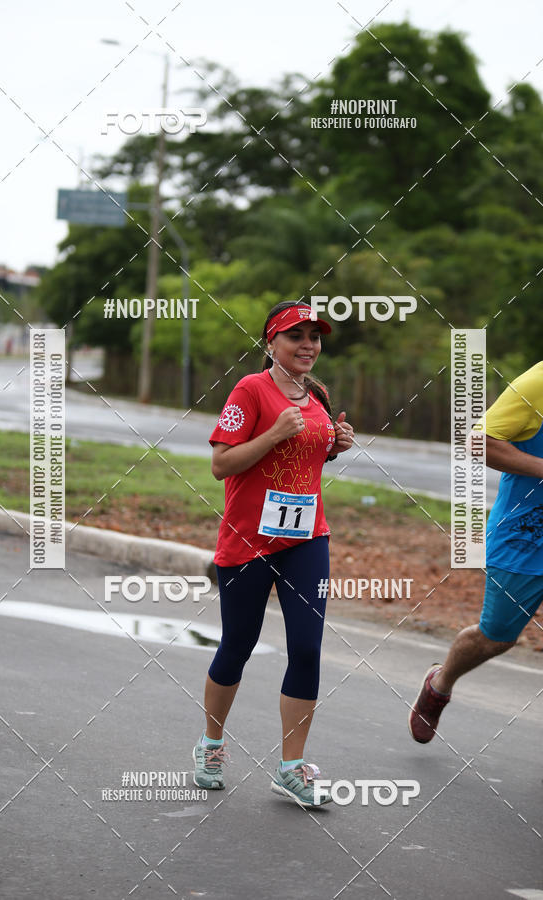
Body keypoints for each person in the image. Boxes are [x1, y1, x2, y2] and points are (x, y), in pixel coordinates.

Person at [192, 301, 354, 807]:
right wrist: (274, 432)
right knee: (237, 645)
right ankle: (212, 745)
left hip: (307, 538)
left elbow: (309, 452)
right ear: (271, 343)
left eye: (315, 336)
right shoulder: (249, 389)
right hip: (246, 541)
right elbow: (221, 465)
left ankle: (290, 768)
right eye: (295, 336)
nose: (308, 345)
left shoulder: (319, 394)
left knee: (306, 648)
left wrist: (336, 445)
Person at [408, 339, 543, 785]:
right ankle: (440, 683)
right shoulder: (538, 384)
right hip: (525, 539)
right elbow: (478, 443)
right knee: (497, 637)